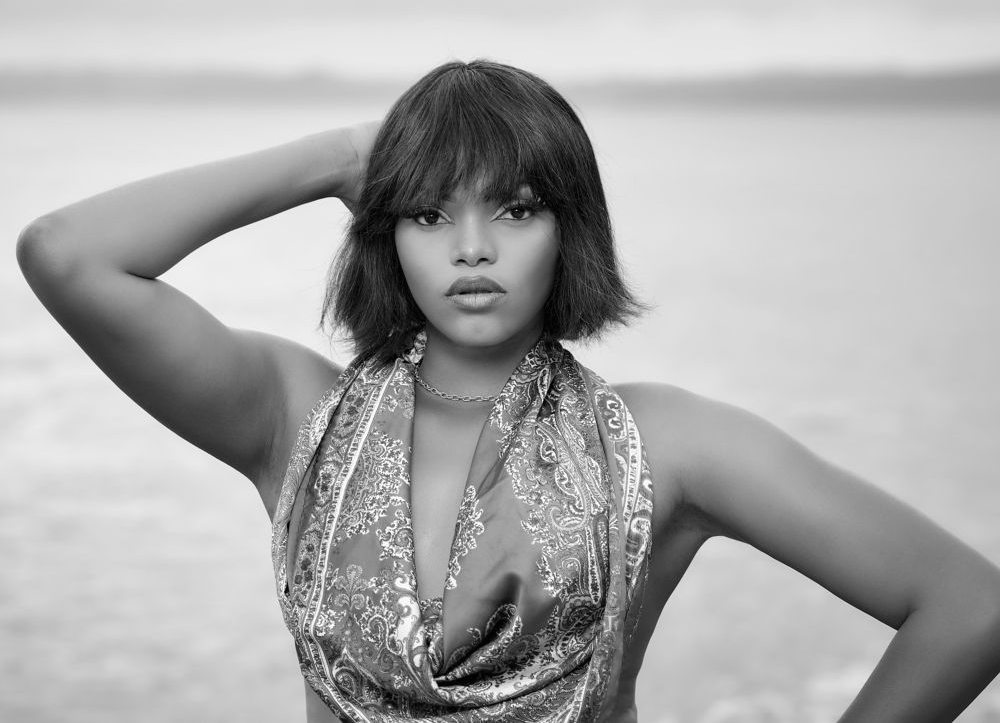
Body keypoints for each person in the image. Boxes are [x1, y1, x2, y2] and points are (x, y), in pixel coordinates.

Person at [16, 60, 1000, 723]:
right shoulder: (295, 418)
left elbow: (968, 604)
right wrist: (341, 157)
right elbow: (67, 254)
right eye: (430, 210)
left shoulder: (663, 443)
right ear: (384, 230)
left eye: (515, 207)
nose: (472, 247)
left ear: (567, 227)